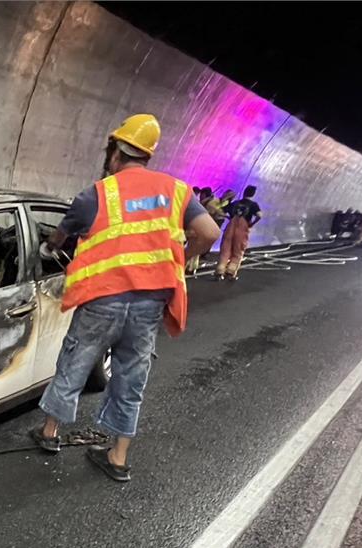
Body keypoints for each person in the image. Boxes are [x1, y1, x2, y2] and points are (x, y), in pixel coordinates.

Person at [30, 114, 220, 482]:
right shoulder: (177, 191)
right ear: (146, 155)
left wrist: (50, 247)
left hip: (104, 299)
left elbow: (58, 239)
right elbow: (209, 231)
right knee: (132, 375)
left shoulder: (97, 194)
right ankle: (117, 458)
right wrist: (178, 257)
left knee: (75, 362)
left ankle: (50, 433)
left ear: (116, 151)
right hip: (149, 303)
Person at [215, 185, 261, 281]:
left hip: (230, 227)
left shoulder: (236, 203)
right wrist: (252, 223)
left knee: (225, 249)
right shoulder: (253, 205)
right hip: (242, 230)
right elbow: (259, 215)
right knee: (238, 251)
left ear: (244, 192)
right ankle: (231, 272)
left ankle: (220, 271)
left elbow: (219, 210)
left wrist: (228, 217)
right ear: (253, 194)